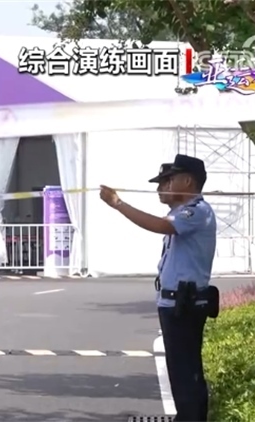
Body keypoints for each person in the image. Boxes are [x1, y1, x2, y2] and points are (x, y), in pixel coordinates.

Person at [102, 154, 217, 422]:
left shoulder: (197, 211)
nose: (161, 188)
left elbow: (159, 226)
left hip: (185, 304)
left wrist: (118, 204)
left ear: (187, 181)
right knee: (179, 372)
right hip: (174, 303)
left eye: (168, 181)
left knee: (186, 373)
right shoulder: (181, 213)